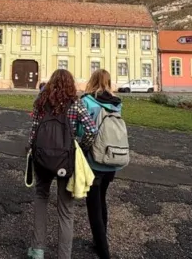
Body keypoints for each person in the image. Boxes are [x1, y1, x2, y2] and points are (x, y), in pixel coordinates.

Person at [26, 69, 97, 259]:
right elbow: (91, 129)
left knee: (41, 198)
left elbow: (33, 131)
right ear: (70, 85)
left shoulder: (41, 102)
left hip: (42, 157)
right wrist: (80, 146)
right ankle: (64, 256)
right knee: (66, 210)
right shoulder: (76, 103)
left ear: (50, 83)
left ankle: (37, 250)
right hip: (66, 159)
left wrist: (31, 149)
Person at [81, 69, 125, 259]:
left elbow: (83, 130)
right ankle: (100, 239)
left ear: (92, 80)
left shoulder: (87, 101)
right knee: (102, 200)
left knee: (93, 205)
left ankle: (102, 249)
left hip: (94, 160)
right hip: (112, 158)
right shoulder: (116, 103)